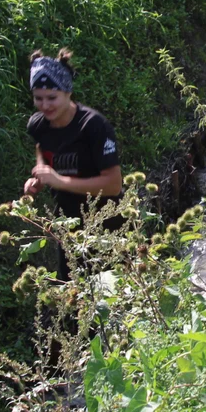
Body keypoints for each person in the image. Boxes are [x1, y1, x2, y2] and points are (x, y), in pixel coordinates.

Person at [23, 48, 123, 279]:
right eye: (39, 98)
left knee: (116, 301)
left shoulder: (93, 127)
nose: (45, 106)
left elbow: (113, 184)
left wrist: (60, 181)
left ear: (68, 92)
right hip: (68, 228)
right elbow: (43, 151)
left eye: (52, 98)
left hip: (108, 226)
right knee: (75, 300)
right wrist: (39, 177)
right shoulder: (38, 126)